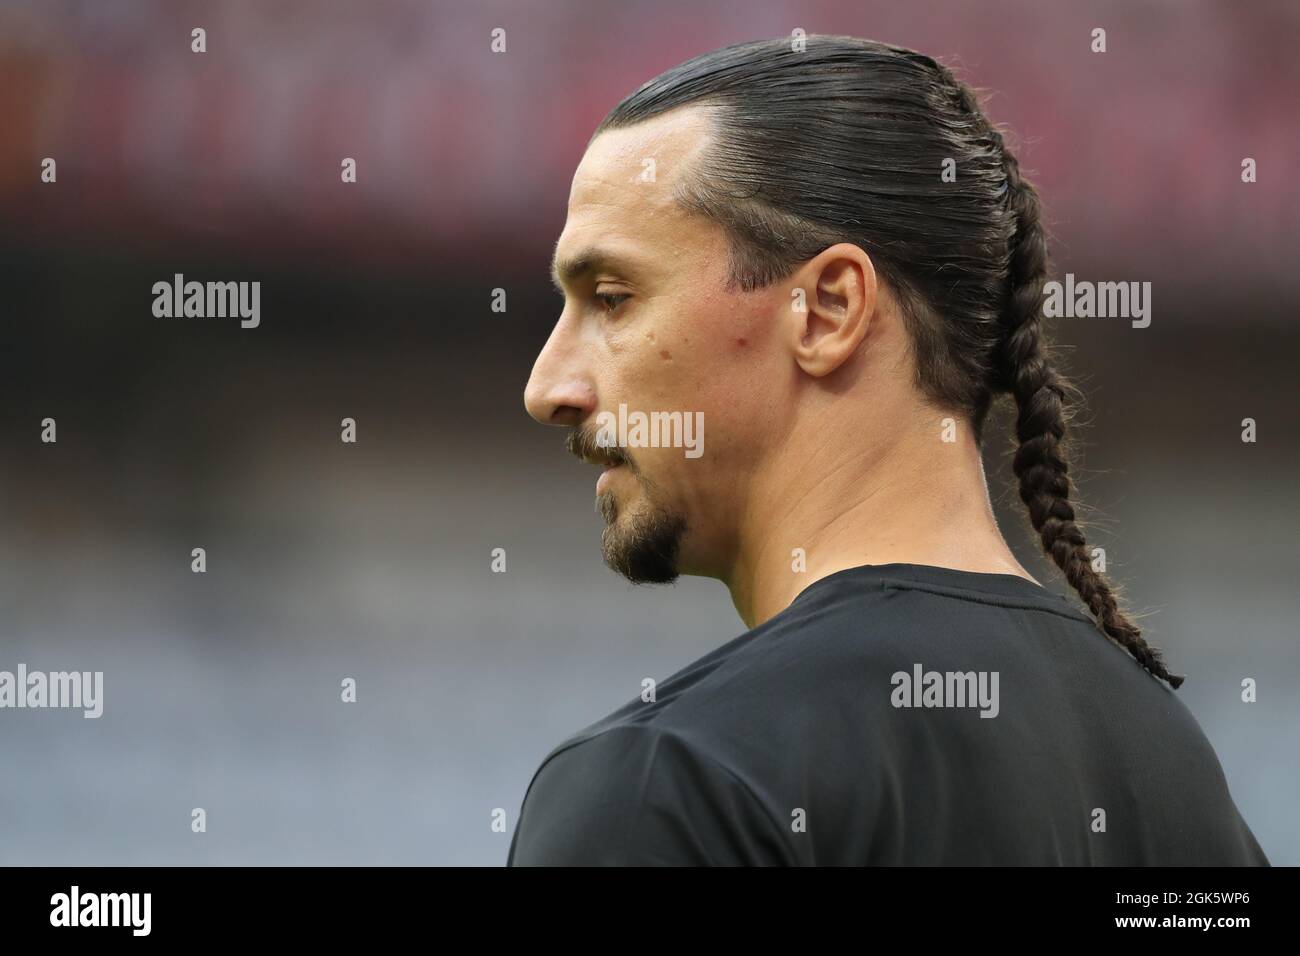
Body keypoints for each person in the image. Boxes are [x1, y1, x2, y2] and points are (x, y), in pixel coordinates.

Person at [511, 35, 1268, 865]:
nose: (549, 387)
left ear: (829, 310)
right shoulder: (1184, 785)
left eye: (612, 298)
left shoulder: (672, 788)